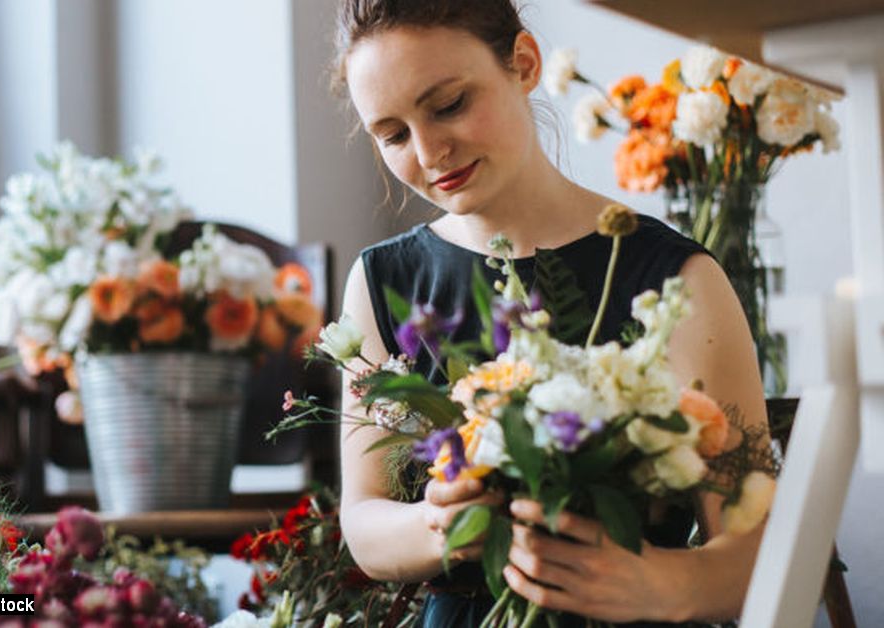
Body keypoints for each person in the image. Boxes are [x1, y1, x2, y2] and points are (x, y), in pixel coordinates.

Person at [331, 1, 772, 626]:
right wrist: (439, 523)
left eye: (450, 104)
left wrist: (662, 586)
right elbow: (364, 519)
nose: (429, 152)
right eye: (394, 135)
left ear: (524, 63)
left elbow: (760, 546)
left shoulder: (676, 279)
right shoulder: (382, 282)